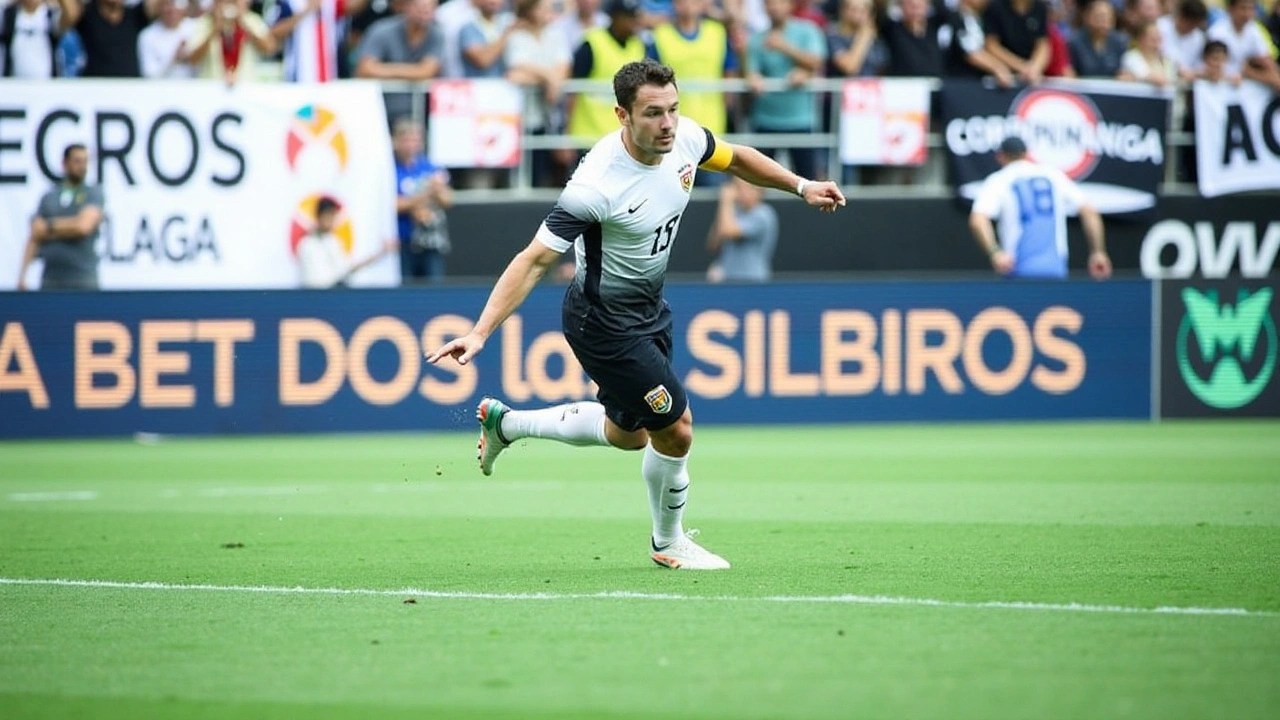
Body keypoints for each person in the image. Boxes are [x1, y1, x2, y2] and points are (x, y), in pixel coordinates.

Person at [425, 60, 845, 570]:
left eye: (672, 109)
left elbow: (737, 160)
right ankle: (668, 543)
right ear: (622, 114)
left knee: (631, 435)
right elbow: (534, 260)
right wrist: (480, 332)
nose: (667, 123)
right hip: (601, 320)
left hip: (648, 310)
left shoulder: (685, 139)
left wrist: (801, 186)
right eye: (653, 114)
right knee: (677, 427)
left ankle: (506, 424)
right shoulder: (596, 185)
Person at [968, 136, 1111, 281]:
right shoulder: (1052, 175)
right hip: (1055, 267)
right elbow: (1089, 211)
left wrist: (995, 253)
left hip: (1016, 267)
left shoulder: (1000, 180)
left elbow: (978, 220)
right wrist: (1098, 252)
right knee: (1056, 304)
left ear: (1000, 156)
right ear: (1026, 154)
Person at [18, 143, 105, 291]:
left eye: (85, 161)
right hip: (51, 279)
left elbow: (83, 227)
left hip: (83, 279)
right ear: (65, 163)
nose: (82, 167)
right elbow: (35, 234)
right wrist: (22, 276)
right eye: (77, 161)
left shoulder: (93, 193)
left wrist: (49, 227)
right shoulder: (49, 197)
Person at [392, 117, 454, 282]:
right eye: (406, 140)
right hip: (403, 241)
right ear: (396, 141)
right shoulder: (391, 170)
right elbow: (393, 204)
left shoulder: (429, 166)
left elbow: (448, 200)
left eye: (415, 140)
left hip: (430, 241)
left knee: (434, 290)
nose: (411, 145)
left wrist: (438, 189)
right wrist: (425, 194)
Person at [297, 196, 398, 288]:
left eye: (332, 216)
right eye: (327, 216)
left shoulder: (333, 241)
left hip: (333, 295)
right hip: (313, 297)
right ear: (319, 216)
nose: (330, 220)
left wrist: (380, 253)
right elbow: (315, 280)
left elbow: (347, 269)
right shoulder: (306, 243)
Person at [269, 0, 370, 83]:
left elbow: (353, 6)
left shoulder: (330, 2)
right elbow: (273, 32)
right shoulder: (289, 2)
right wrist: (306, 11)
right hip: (298, 75)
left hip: (329, 75)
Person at [706, 175, 778, 282]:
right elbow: (713, 244)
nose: (736, 192)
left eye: (740, 187)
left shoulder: (763, 214)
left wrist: (726, 202)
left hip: (752, 280)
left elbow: (728, 231)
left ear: (757, 191)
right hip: (729, 279)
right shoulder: (734, 212)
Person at [185, 0, 277, 84]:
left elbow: (270, 48)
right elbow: (192, 59)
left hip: (245, 87)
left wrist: (244, 24)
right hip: (211, 87)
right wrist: (214, 30)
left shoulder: (252, 20)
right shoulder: (205, 22)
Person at [1, 0, 79, 77]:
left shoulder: (49, 15)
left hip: (46, 84)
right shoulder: (8, 15)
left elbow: (71, 15)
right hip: (12, 84)